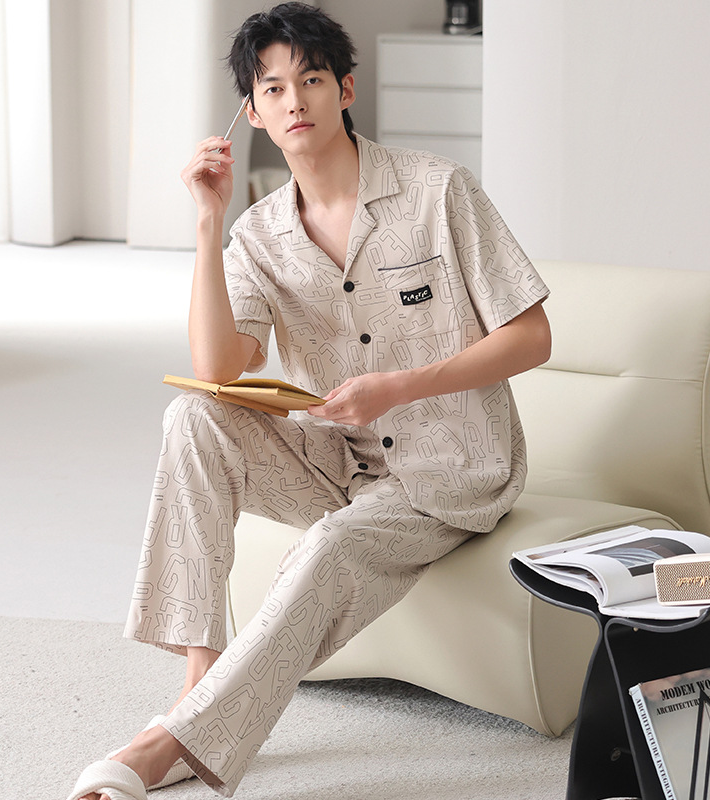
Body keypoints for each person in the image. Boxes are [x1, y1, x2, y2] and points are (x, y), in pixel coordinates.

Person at [67, 3, 551, 799]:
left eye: (312, 80)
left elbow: (532, 337)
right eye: (273, 88)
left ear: (346, 90)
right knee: (193, 414)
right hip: (335, 461)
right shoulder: (260, 234)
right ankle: (198, 679)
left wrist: (400, 385)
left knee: (329, 547)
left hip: (451, 469)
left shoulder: (439, 191)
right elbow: (218, 365)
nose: (295, 101)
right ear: (252, 112)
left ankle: (165, 746)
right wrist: (208, 222)